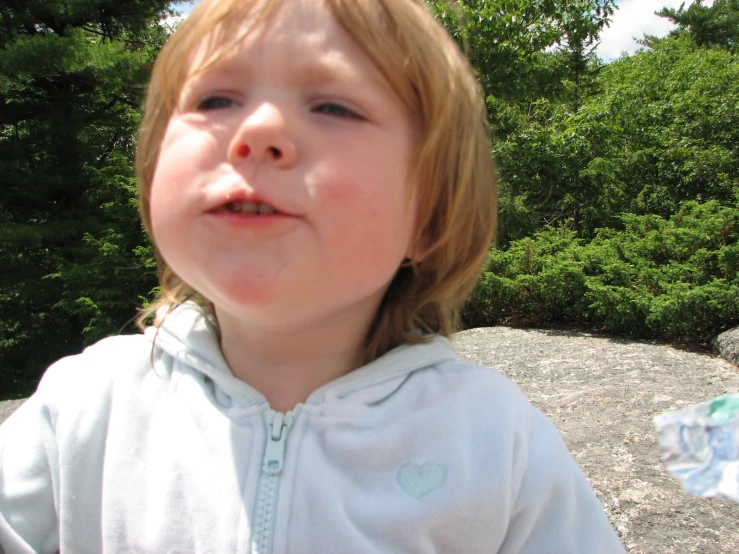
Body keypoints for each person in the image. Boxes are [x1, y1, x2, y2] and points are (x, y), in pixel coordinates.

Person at [0, 0, 626, 552]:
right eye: (215, 99)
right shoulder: (87, 406)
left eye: (333, 105)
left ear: (429, 217)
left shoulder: (494, 440)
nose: (258, 131)